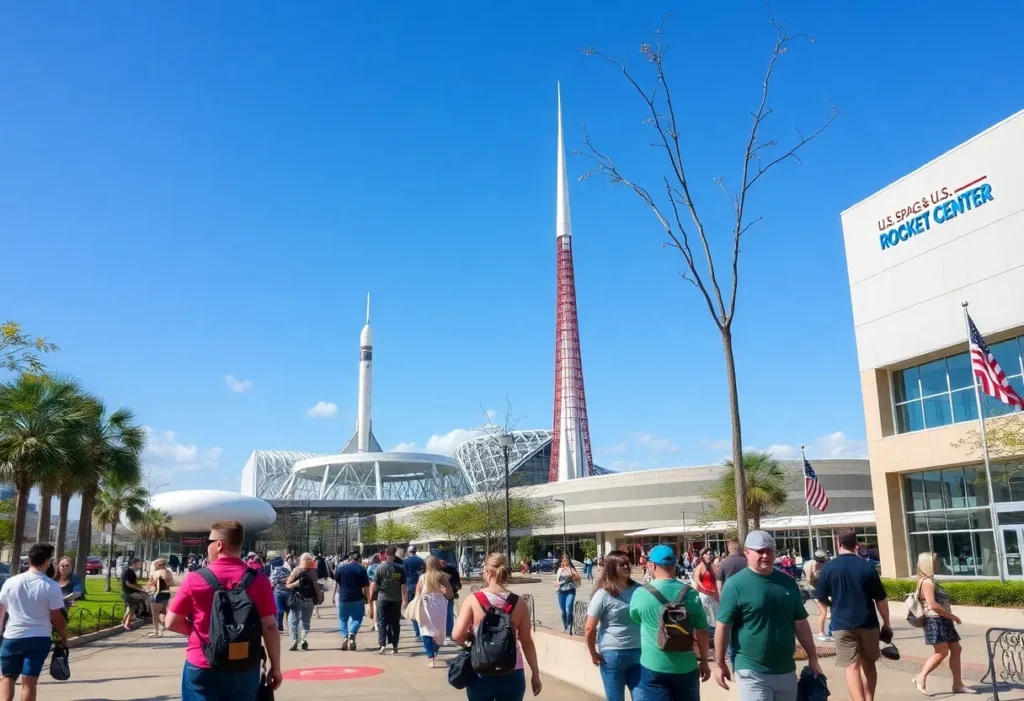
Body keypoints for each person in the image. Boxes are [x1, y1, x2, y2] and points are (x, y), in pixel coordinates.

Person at [165, 521, 282, 700]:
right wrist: (275, 667)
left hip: (202, 662)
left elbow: (171, 622)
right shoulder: (259, 580)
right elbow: (270, 627)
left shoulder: (195, 579)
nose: (206, 547)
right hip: (244, 663)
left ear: (219, 545)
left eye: (207, 542)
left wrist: (205, 636)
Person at [714, 531, 822, 701]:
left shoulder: (787, 583)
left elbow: (800, 622)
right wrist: (719, 664)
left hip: (786, 670)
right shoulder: (735, 585)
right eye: (760, 551)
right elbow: (723, 626)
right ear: (747, 552)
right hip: (751, 671)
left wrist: (813, 657)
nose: (765, 555)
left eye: (769, 551)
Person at [814, 529, 891, 701]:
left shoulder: (829, 568)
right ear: (856, 544)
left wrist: (832, 605)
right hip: (868, 622)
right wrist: (886, 623)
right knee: (869, 664)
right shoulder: (867, 566)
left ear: (838, 544)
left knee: (851, 667)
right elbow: (881, 599)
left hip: (842, 624)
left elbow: (819, 596)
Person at [452, 553, 542, 700]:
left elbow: (457, 635)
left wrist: (472, 636)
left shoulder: (473, 600)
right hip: (512, 670)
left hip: (481, 669)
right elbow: (526, 641)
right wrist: (535, 673)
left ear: (487, 572)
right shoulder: (519, 603)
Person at [628, 544, 710, 701]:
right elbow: (702, 630)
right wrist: (704, 661)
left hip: (653, 665)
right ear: (674, 565)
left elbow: (636, 618)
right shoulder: (691, 593)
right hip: (686, 666)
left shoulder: (641, 593)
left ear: (651, 565)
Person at [0, 544, 68, 701]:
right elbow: (57, 616)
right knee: (29, 682)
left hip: (12, 637)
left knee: (7, 677)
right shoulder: (51, 586)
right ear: (47, 562)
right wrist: (63, 635)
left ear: (30, 559)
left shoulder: (11, 582)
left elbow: (1, 610)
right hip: (39, 638)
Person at [912, 552, 975, 696]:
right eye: (936, 560)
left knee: (956, 649)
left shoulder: (929, 580)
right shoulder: (927, 582)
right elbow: (933, 605)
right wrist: (952, 616)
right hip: (935, 620)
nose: (939, 562)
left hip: (942, 620)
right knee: (941, 652)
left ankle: (957, 684)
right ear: (928, 563)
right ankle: (920, 678)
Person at [584, 550, 642, 701]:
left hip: (640, 653)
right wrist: (593, 653)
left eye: (627, 564)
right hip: (613, 655)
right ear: (611, 567)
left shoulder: (640, 590)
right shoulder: (603, 594)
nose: (626, 567)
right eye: (621, 564)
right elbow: (589, 628)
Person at [416, 556, 454, 667]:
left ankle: (431, 657)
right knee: (439, 631)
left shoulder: (422, 578)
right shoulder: (443, 577)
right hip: (440, 605)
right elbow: (450, 595)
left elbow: (417, 594)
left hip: (426, 605)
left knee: (426, 631)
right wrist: (444, 591)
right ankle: (435, 650)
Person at [369, 545, 407, 655]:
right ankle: (395, 645)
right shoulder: (400, 568)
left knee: (382, 622)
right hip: (396, 599)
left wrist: (371, 597)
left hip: (382, 598)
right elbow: (403, 586)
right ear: (394, 555)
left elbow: (374, 584)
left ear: (385, 555)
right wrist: (405, 599)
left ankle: (382, 645)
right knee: (395, 623)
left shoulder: (380, 568)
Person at [332, 553, 370, 651]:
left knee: (342, 619)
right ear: (359, 559)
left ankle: (345, 636)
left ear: (350, 559)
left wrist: (334, 596)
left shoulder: (341, 569)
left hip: (343, 597)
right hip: (357, 597)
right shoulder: (361, 570)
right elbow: (366, 586)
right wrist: (367, 597)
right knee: (357, 618)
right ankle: (352, 633)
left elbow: (336, 584)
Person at [284, 553, 319, 651]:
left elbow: (287, 585)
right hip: (309, 599)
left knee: (293, 620)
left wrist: (296, 583)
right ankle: (302, 639)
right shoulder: (314, 572)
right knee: (306, 621)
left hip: (297, 598)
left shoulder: (296, 571)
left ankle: (294, 640)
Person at [692, 547, 719, 642]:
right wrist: (706, 590)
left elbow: (718, 580)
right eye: (707, 554)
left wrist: (717, 591)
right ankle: (704, 638)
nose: (710, 556)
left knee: (715, 617)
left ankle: (714, 638)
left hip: (714, 596)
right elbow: (697, 582)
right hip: (704, 596)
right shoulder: (699, 568)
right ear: (702, 555)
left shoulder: (714, 568)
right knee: (705, 617)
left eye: (711, 554)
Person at [803, 550, 831, 642]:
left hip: (822, 589)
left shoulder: (824, 564)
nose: (821, 561)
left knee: (824, 611)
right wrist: (814, 572)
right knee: (823, 612)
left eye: (822, 559)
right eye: (820, 559)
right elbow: (809, 580)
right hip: (815, 590)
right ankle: (821, 633)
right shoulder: (810, 564)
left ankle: (822, 632)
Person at [147, 558, 176, 637]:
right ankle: (163, 625)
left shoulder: (155, 573)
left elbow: (151, 584)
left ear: (158, 565)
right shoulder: (169, 572)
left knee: (155, 614)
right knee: (163, 611)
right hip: (166, 593)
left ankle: (156, 631)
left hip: (157, 594)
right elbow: (172, 583)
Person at [403, 545, 426, 641]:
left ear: (408, 551)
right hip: (418, 586)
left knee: (412, 610)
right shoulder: (420, 560)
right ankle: (422, 632)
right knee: (420, 609)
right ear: (415, 551)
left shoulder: (404, 561)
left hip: (408, 585)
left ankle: (417, 633)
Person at [555, 554, 580, 635]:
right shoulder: (560, 570)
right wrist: (557, 584)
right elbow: (557, 581)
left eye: (566, 559)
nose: (565, 561)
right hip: (561, 592)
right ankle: (565, 627)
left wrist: (572, 576)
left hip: (570, 591)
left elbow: (578, 578)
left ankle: (569, 627)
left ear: (569, 560)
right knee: (563, 612)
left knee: (568, 609)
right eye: (563, 560)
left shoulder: (572, 569)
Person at [121, 558, 148, 630]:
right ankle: (127, 624)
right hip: (129, 592)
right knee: (133, 607)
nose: (139, 565)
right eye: (138, 564)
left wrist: (142, 587)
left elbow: (134, 582)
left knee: (131, 608)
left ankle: (125, 622)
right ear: (133, 564)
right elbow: (128, 583)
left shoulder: (131, 571)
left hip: (130, 592)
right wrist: (138, 589)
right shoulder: (128, 571)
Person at [439, 557, 462, 644]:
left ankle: (443, 634)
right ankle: (448, 634)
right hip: (449, 595)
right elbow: (458, 585)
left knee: (442, 615)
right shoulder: (453, 570)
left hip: (439, 596)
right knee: (449, 614)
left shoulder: (434, 572)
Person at [269, 556, 290, 632]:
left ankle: (279, 625)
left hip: (278, 594)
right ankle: (290, 626)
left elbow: (272, 584)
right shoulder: (287, 570)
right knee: (288, 610)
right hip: (288, 593)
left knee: (279, 610)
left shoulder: (274, 572)